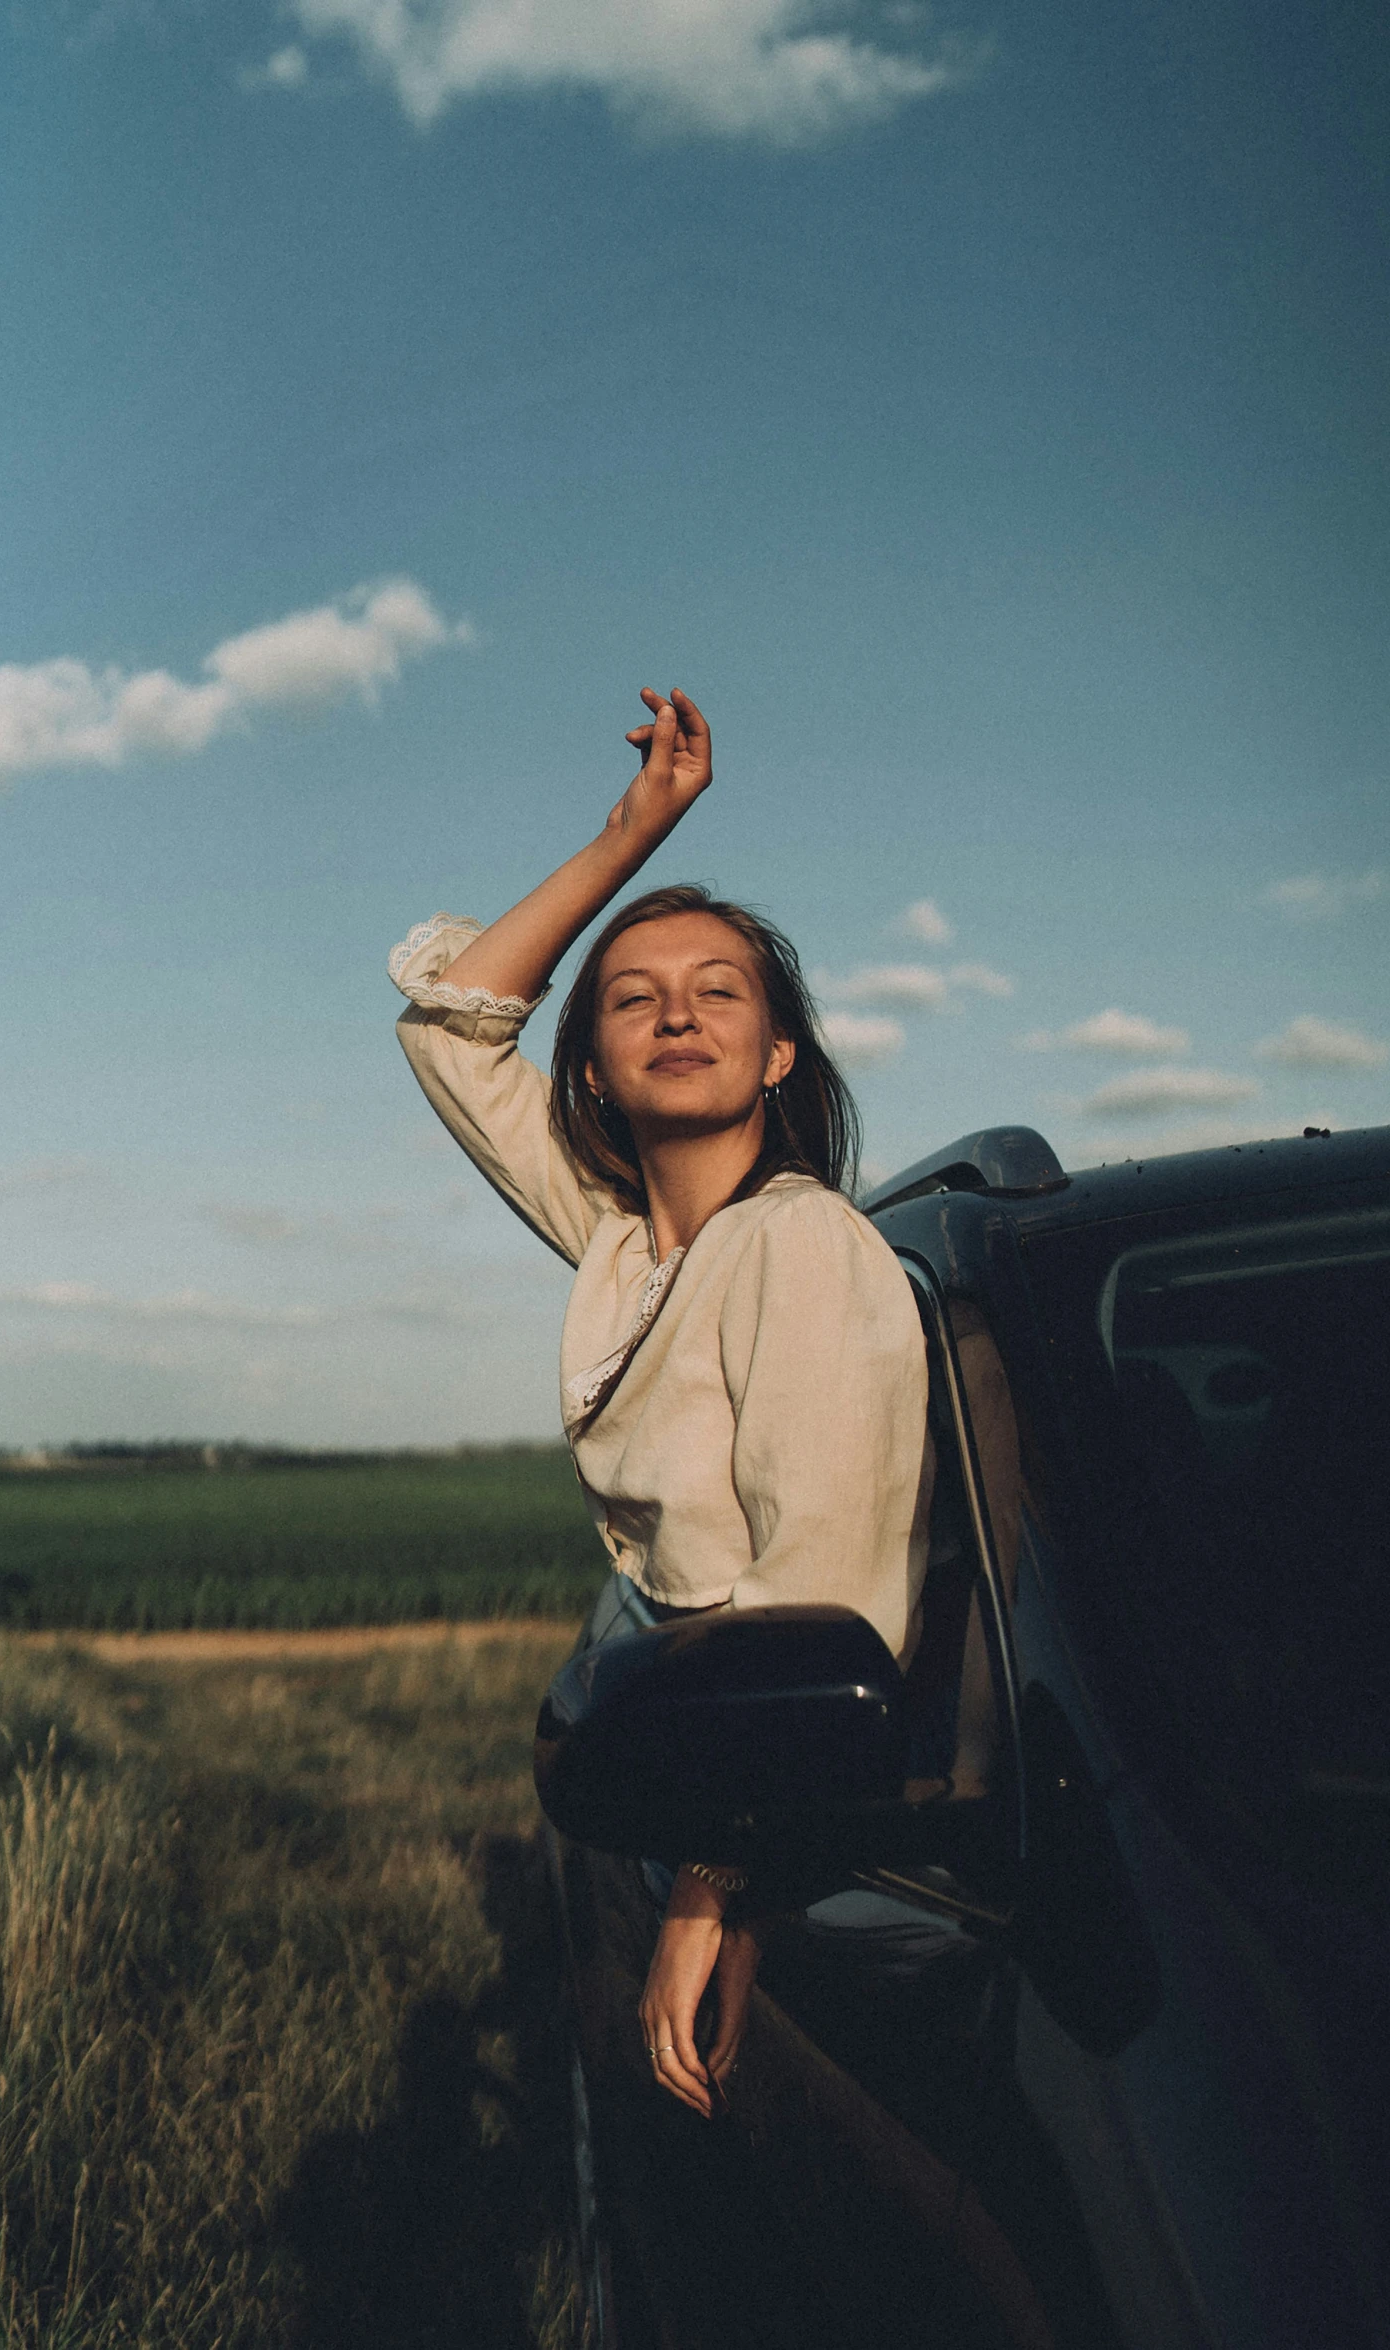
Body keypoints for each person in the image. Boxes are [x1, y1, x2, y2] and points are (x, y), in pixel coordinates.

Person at [387, 686, 931, 2119]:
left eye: (719, 992)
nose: (676, 1009)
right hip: (718, 1799)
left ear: (776, 1058)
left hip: (775, 1824)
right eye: (632, 997)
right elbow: (451, 1038)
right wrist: (634, 828)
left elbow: (825, 1598)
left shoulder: (797, 1243)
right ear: (592, 1070)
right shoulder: (629, 1249)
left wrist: (718, 1889)